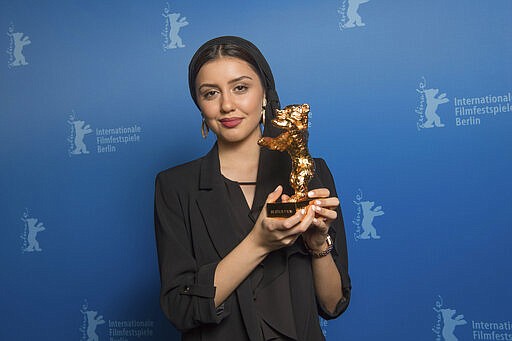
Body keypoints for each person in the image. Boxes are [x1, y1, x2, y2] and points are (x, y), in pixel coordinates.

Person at [154, 36, 351, 341]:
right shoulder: (176, 187)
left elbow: (333, 304)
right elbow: (181, 309)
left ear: (264, 95)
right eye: (210, 93)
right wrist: (258, 243)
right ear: (199, 105)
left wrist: (317, 245)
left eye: (240, 88)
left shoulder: (310, 173)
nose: (227, 105)